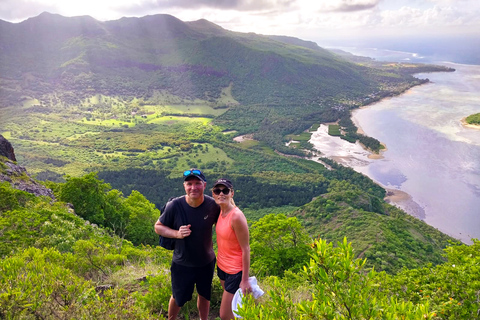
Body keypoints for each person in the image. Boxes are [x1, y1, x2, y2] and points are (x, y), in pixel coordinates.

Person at [154, 168, 220, 320]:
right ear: (184, 186)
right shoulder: (175, 206)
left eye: (197, 183)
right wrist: (176, 233)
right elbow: (158, 227)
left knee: (205, 295)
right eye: (189, 184)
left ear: (204, 185)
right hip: (182, 263)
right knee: (178, 297)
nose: (193, 187)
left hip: (206, 262)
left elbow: (225, 221)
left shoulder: (212, 205)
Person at [212, 178, 252, 320]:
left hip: (235, 271)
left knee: (224, 315)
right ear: (213, 194)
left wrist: (245, 279)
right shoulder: (219, 212)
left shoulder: (236, 216)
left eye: (225, 191)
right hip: (222, 268)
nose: (221, 194)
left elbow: (246, 249)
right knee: (234, 309)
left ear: (232, 193)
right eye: (218, 191)